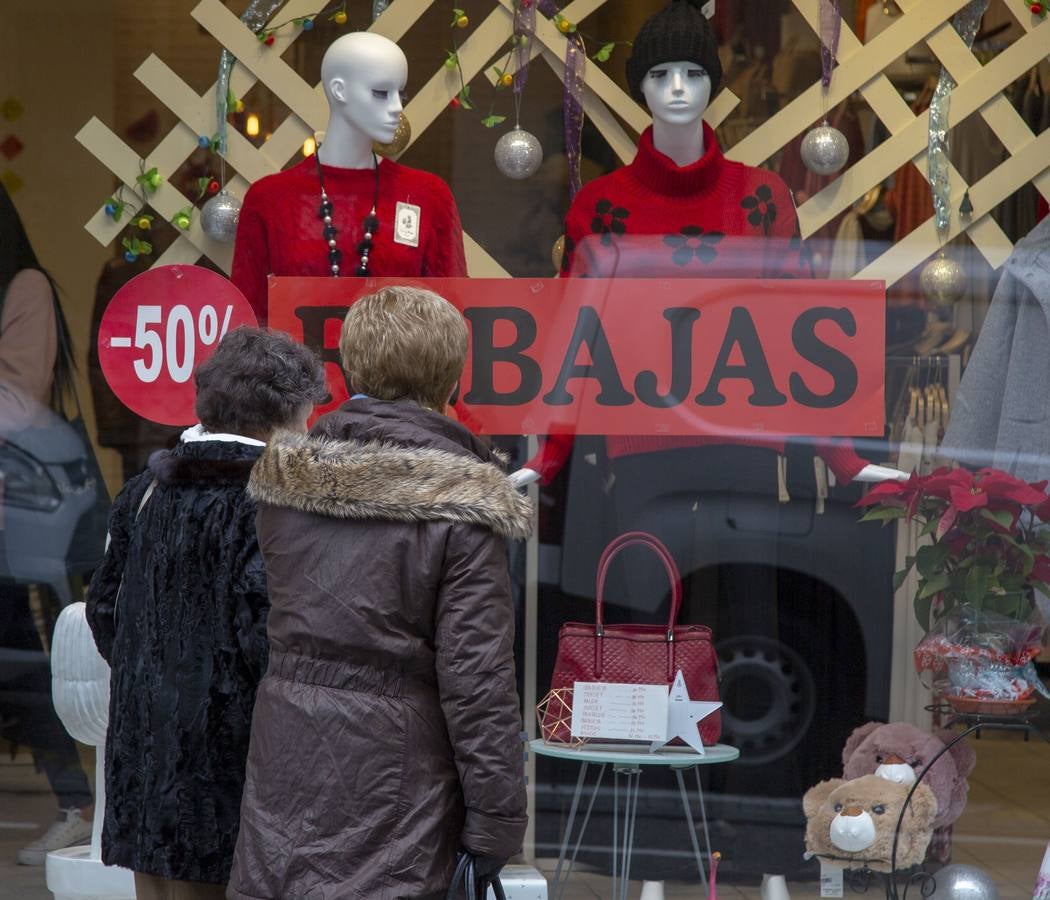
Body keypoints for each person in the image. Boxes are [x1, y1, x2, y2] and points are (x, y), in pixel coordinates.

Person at [228, 286, 530, 900]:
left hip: (286, 761)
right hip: (400, 784)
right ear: (451, 382)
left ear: (350, 370)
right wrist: (497, 821)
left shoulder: (287, 483)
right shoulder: (464, 507)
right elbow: (478, 685)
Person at [85, 327, 327, 900]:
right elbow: (266, 642)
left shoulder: (146, 488)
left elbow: (104, 608)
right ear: (286, 415)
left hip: (144, 763)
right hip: (226, 778)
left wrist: (151, 672)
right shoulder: (265, 503)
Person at [0, 182, 96, 865]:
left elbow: (16, 400)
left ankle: (74, 801)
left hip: (14, 511)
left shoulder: (23, 284)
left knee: (19, 657)